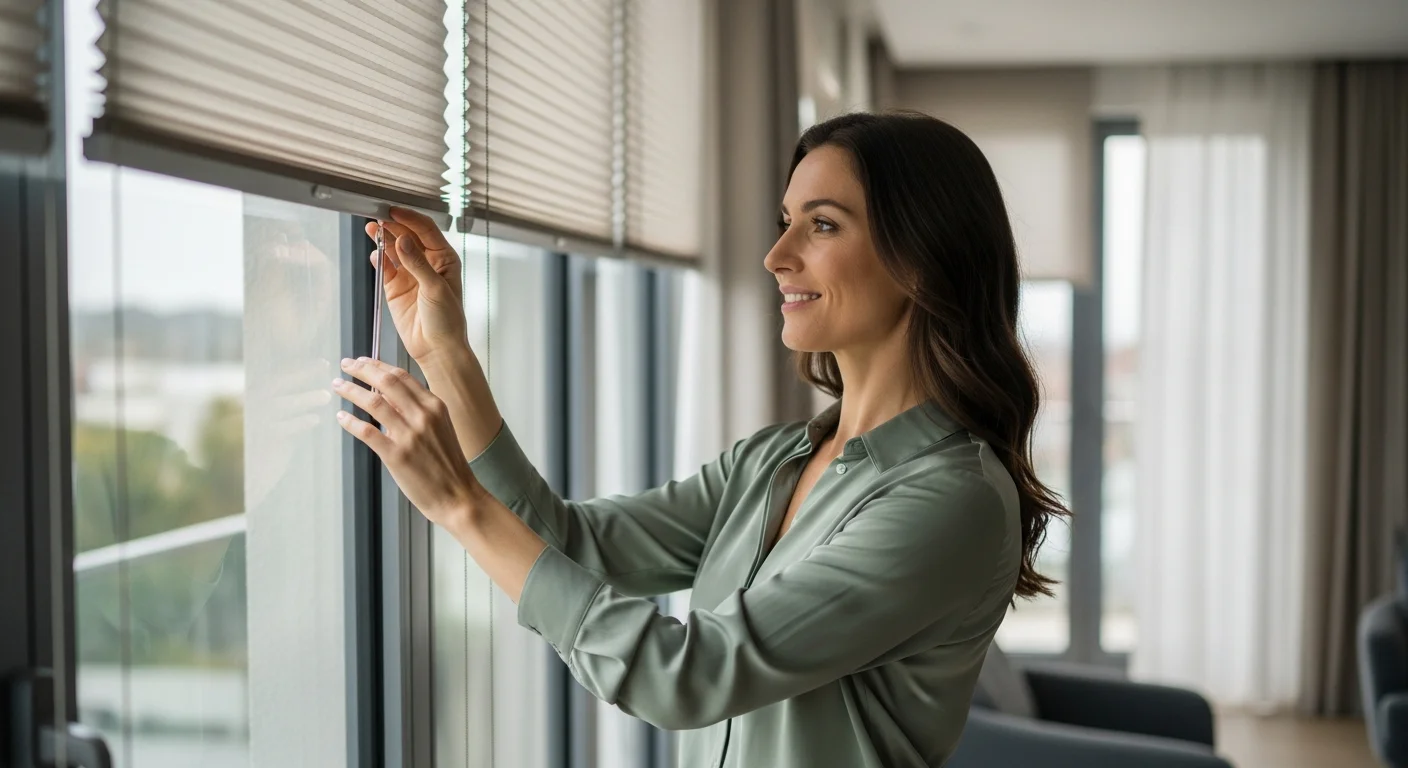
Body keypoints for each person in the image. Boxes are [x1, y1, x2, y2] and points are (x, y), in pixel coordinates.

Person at [333, 111, 1068, 768]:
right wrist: (446, 355)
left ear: (921, 257)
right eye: (785, 221)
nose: (776, 256)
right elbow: (572, 546)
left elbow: (684, 677)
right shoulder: (773, 460)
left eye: (822, 224)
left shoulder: (952, 500)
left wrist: (462, 507)